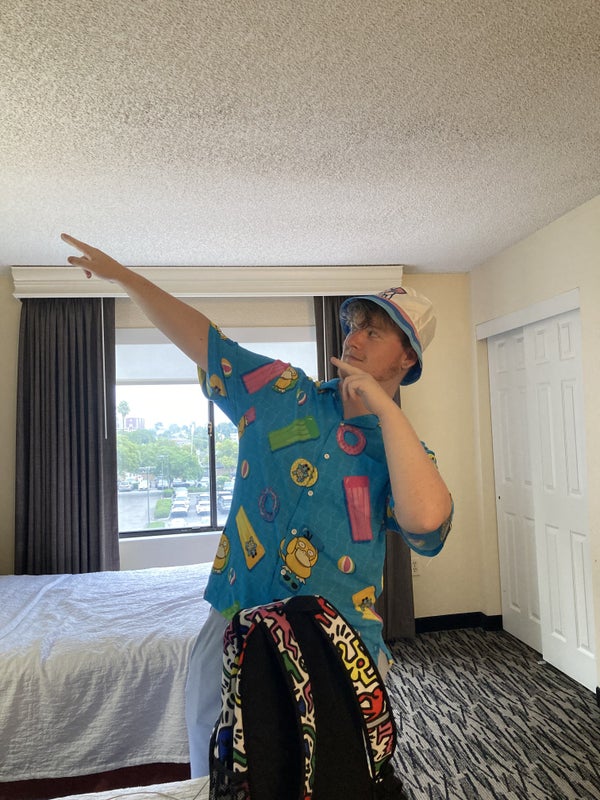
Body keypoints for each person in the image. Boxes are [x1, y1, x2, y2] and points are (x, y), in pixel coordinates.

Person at [61, 233, 453, 778]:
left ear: (407, 356)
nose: (354, 337)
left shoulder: (401, 451)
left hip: (337, 646)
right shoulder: (282, 393)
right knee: (218, 770)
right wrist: (124, 278)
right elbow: (208, 343)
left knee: (329, 776)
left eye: (374, 330)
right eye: (354, 325)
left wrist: (385, 410)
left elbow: (427, 522)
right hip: (234, 624)